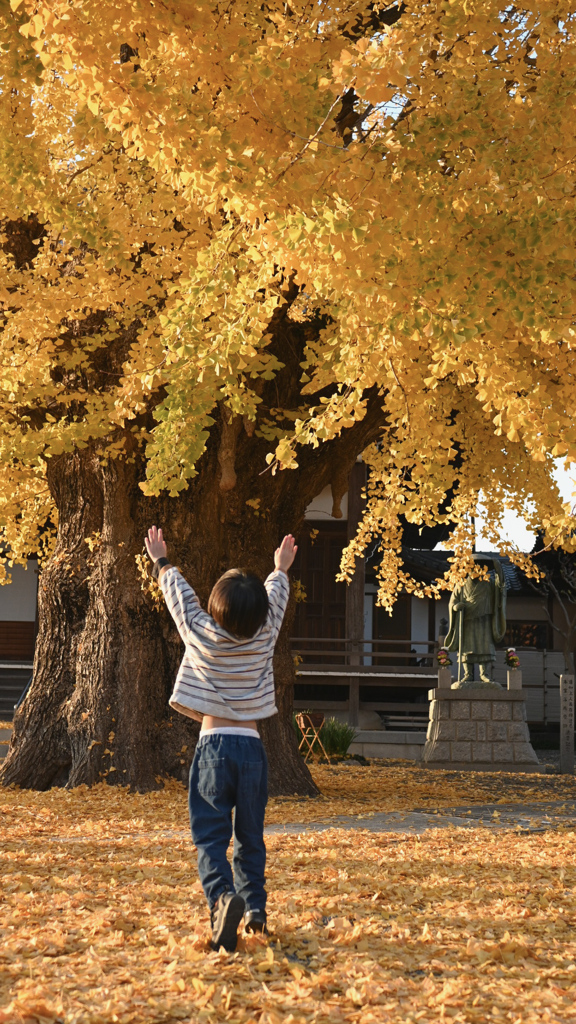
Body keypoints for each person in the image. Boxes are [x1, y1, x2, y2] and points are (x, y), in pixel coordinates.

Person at [144, 525, 297, 952]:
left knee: (210, 837)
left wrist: (161, 559)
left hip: (213, 746)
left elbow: (178, 596)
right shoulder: (265, 635)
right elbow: (277, 597)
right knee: (250, 835)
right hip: (252, 749)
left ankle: (222, 900)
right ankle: (255, 912)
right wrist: (279, 567)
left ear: (215, 607)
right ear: (260, 615)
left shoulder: (199, 631)